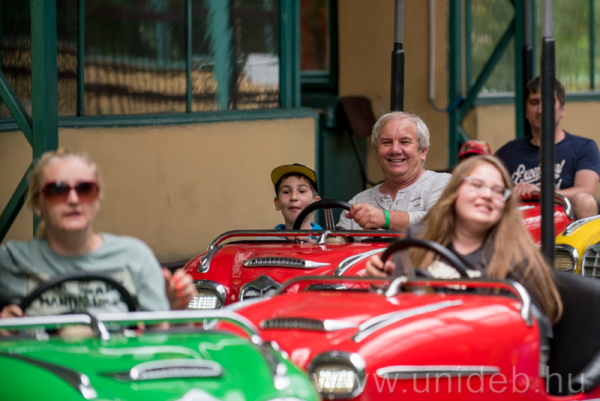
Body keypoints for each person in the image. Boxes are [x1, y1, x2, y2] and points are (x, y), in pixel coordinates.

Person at [0, 149, 197, 319]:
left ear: (98, 200)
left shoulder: (135, 257)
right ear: (36, 203)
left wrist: (175, 310)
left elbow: (158, 341)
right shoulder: (11, 261)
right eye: (57, 190)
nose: (73, 199)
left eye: (85, 189)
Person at [367, 155, 562, 323]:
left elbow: (536, 327)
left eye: (498, 191)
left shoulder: (519, 257)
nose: (487, 195)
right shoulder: (416, 240)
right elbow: (392, 312)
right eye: (477, 185)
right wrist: (379, 286)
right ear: (455, 191)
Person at [495, 77, 600, 219]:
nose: (540, 110)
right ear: (526, 112)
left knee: (585, 202)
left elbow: (586, 191)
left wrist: (539, 194)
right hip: (520, 223)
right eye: (534, 103)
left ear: (562, 110)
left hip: (566, 225)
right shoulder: (506, 153)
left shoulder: (583, 147)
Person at [338, 111, 451, 231]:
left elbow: (440, 222)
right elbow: (337, 240)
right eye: (386, 142)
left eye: (405, 142)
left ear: (423, 151)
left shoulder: (444, 183)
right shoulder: (358, 201)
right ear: (377, 153)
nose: (395, 150)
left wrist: (385, 218)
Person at [271, 163, 323, 231]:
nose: (293, 197)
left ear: (316, 203)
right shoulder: (266, 237)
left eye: (302, 191)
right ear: (277, 203)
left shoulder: (327, 237)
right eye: (286, 192)